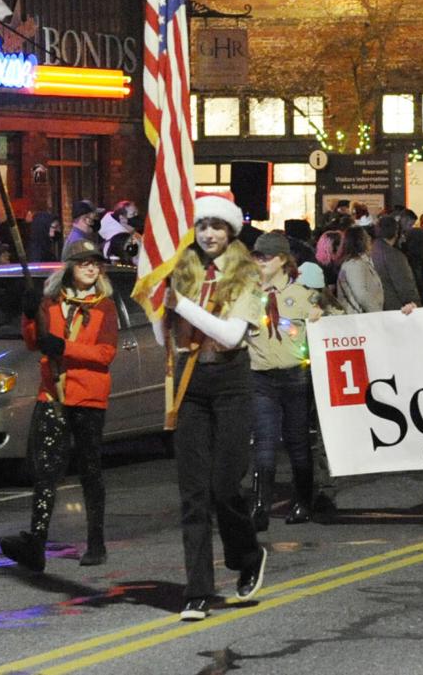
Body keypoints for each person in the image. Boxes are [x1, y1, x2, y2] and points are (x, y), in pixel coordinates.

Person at [165, 195, 268, 621]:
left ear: (231, 232)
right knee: (193, 493)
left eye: (218, 226)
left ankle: (247, 554)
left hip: (230, 381)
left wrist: (179, 303)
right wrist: (160, 306)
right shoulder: (183, 271)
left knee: (225, 485)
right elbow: (165, 337)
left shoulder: (246, 275)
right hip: (190, 381)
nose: (209, 234)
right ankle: (198, 591)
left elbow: (228, 336)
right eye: (203, 225)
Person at [0, 239, 118, 572]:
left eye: (95, 263)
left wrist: (64, 347)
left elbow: (105, 353)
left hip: (88, 397)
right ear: (69, 267)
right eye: (83, 263)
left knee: (90, 470)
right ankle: (36, 543)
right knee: (46, 472)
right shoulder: (51, 303)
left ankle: (96, 542)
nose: (91, 268)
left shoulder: (104, 306)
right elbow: (34, 341)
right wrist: (28, 316)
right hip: (52, 394)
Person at [247, 231, 324, 531]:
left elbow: (336, 321)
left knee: (297, 441)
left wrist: (322, 316)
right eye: (257, 256)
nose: (260, 261)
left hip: (295, 377)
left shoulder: (302, 294)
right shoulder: (249, 295)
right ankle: (259, 507)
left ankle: (303, 501)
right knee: (264, 442)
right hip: (261, 378)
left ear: (282, 260)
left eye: (266, 256)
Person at [370, 215, 420, 311]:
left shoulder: (370, 250)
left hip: (376, 306)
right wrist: (415, 303)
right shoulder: (394, 256)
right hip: (395, 308)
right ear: (396, 232)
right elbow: (404, 285)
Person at [336, 226, 384, 314]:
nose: (370, 240)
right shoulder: (355, 264)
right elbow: (361, 294)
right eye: (367, 237)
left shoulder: (361, 262)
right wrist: (377, 312)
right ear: (360, 241)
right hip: (360, 318)